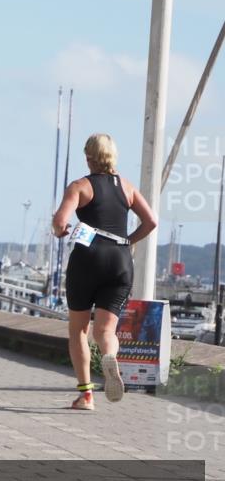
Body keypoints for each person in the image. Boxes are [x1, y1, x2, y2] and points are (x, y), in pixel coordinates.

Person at [52, 133, 157, 411]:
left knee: (79, 330)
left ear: (89, 157)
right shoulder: (127, 187)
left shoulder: (80, 187)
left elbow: (60, 222)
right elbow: (151, 221)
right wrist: (128, 242)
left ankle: (86, 396)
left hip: (88, 259)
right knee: (105, 330)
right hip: (120, 260)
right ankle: (110, 356)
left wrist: (60, 230)